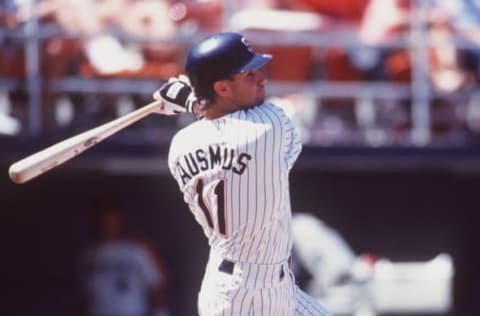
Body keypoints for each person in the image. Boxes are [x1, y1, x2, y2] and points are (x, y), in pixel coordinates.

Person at [152, 32, 332, 315]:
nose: (262, 79)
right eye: (249, 75)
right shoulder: (269, 126)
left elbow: (214, 121)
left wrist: (196, 101)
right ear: (222, 87)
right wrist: (193, 101)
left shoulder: (180, 146)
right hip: (244, 296)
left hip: (247, 287)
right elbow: (241, 123)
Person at [78, 199, 170, 316]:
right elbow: (83, 296)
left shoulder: (137, 249)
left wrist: (161, 313)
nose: (107, 222)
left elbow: (157, 285)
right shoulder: (88, 255)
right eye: (103, 217)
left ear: (119, 219)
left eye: (111, 217)